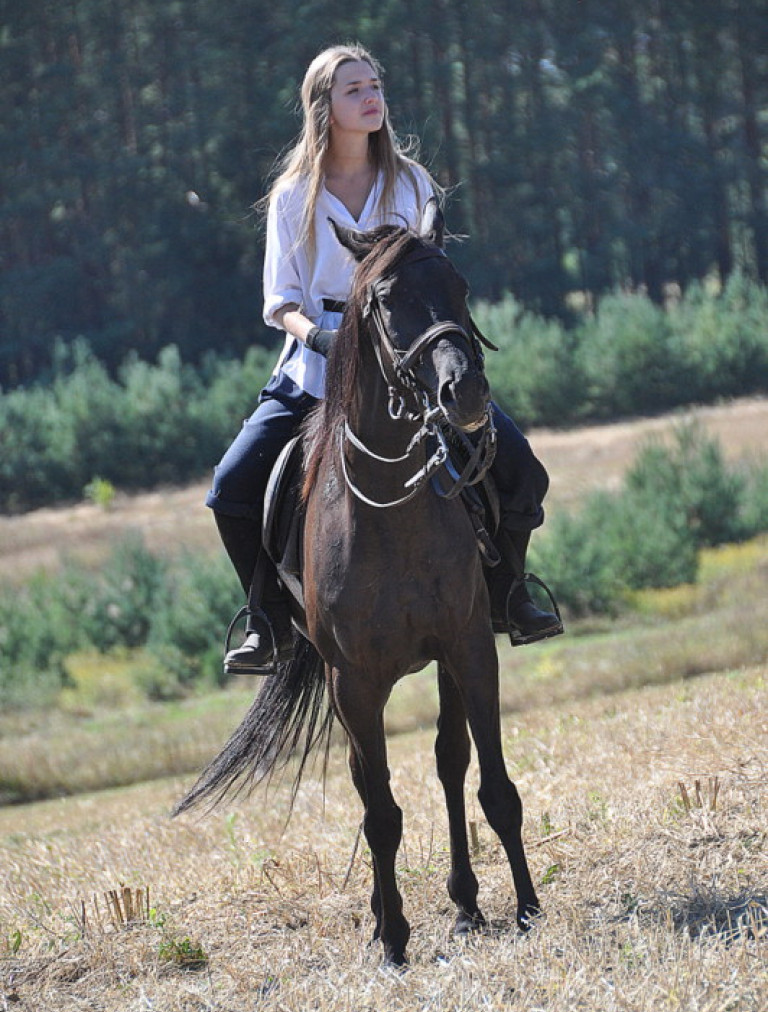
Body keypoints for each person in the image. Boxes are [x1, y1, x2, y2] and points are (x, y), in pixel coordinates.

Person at [206, 43, 562, 674]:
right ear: (325, 107)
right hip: (318, 367)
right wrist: (316, 337)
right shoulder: (293, 197)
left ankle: (510, 593)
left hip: (410, 368)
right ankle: (264, 618)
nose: (371, 97)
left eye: (374, 85)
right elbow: (280, 301)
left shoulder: (413, 183)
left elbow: (428, 275)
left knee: (522, 469)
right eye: (353, 89)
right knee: (231, 487)